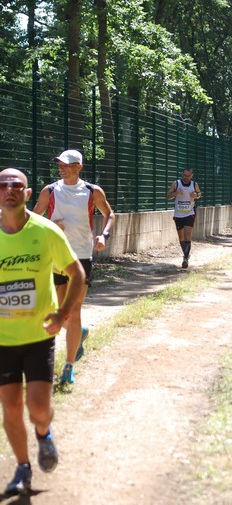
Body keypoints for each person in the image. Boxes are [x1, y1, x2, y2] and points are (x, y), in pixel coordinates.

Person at [0, 168, 85, 495]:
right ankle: (23, 468)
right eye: (3, 185)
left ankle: (44, 433)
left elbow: (75, 272)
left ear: (27, 193)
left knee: (37, 407)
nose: (9, 189)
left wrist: (63, 313)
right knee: (9, 405)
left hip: (38, 334)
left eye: (16, 185)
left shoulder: (46, 231)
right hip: (3, 339)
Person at [33, 149, 114, 384]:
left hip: (81, 256)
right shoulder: (49, 191)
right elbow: (32, 218)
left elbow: (109, 214)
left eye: (67, 164)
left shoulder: (92, 191)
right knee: (59, 311)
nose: (62, 167)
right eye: (60, 163)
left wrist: (103, 236)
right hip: (55, 257)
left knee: (74, 311)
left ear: (79, 167)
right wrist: (49, 225)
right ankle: (79, 333)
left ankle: (69, 366)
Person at [166, 168, 201, 269]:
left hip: (190, 213)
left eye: (188, 176)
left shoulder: (194, 184)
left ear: (191, 176)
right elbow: (167, 196)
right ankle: (186, 254)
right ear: (183, 174)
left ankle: (185, 259)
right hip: (178, 214)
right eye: (184, 175)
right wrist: (175, 193)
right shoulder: (176, 183)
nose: (186, 178)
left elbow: (199, 193)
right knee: (181, 237)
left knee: (187, 235)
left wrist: (196, 195)